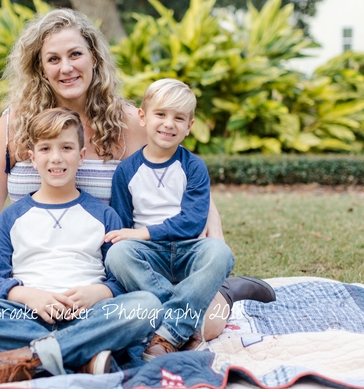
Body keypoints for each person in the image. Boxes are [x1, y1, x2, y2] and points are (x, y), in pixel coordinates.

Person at [0, 7, 236, 341]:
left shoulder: (129, 123)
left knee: (210, 320)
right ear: (40, 67)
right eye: (53, 59)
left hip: (108, 272)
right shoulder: (14, 123)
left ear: (94, 57)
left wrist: (211, 213)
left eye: (75, 54)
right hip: (31, 270)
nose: (66, 67)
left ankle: (39, 342)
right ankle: (85, 342)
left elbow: (181, 169)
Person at [0, 108, 163, 387]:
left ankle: (28, 358)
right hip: (25, 316)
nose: (56, 157)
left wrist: (98, 292)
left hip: (88, 315)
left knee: (146, 306)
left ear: (81, 155)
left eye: (66, 147)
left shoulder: (104, 216)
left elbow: (122, 279)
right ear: (32, 157)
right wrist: (29, 296)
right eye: (45, 148)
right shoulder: (12, 217)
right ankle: (82, 357)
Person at [104, 79, 276, 360]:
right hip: (150, 260)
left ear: (189, 126)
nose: (169, 124)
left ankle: (168, 331)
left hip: (188, 250)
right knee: (118, 254)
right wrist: (134, 238)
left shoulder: (193, 166)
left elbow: (193, 222)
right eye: (161, 114)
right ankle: (183, 318)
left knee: (219, 252)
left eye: (179, 118)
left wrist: (143, 232)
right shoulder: (126, 171)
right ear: (143, 118)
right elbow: (124, 227)